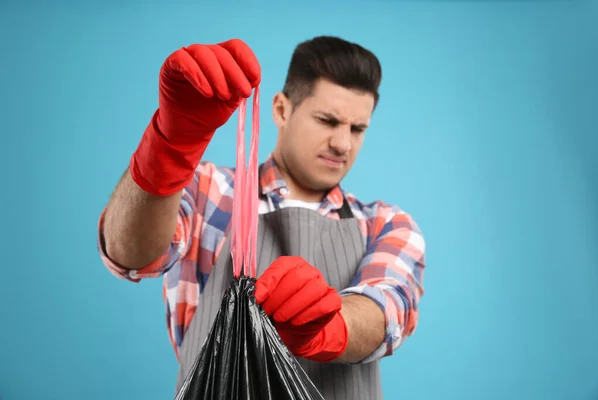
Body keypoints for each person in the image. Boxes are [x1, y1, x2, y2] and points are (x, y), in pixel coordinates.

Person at [96, 35, 426, 400]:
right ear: (282, 110)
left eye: (357, 129)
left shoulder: (384, 224)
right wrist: (168, 149)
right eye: (327, 120)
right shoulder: (209, 191)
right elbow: (129, 254)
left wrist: (331, 324)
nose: (342, 144)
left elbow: (389, 309)